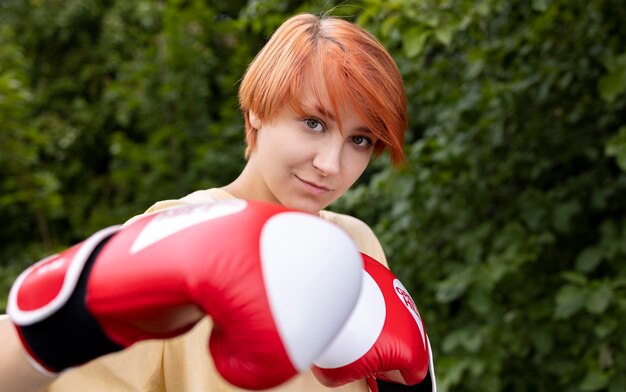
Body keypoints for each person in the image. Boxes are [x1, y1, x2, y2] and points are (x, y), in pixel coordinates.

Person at [0, 12, 434, 392]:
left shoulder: (357, 240)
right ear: (257, 111)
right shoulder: (177, 230)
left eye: (359, 140)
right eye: (313, 122)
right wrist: (55, 327)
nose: (330, 164)